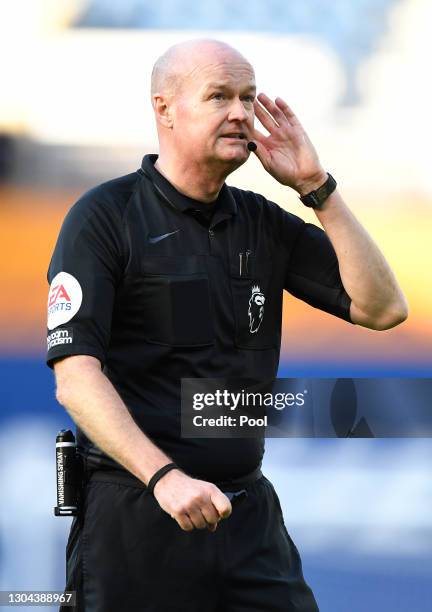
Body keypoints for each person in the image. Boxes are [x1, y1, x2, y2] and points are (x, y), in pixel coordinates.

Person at [46, 39, 408, 612]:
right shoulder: (105, 217)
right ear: (164, 108)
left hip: (247, 519)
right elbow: (76, 378)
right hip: (139, 513)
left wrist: (317, 187)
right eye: (220, 96)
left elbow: (383, 308)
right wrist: (165, 478)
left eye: (248, 96)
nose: (241, 112)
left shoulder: (262, 220)